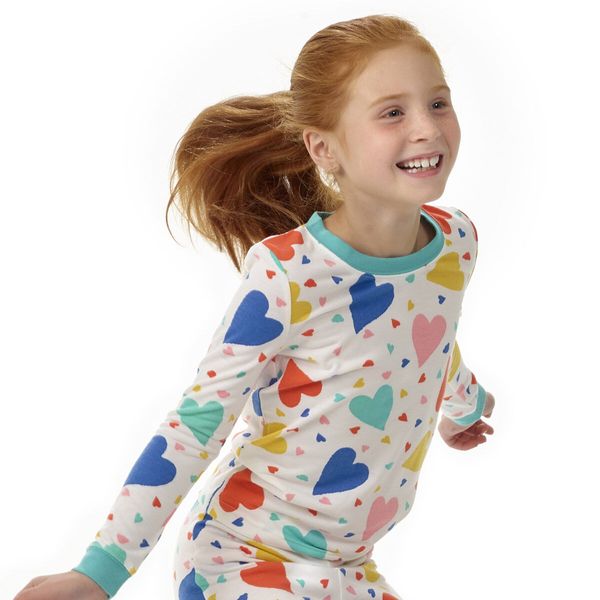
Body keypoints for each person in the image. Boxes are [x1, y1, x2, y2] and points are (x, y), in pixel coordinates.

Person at [13, 13, 495, 600]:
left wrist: (466, 404)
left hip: (349, 567)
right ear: (325, 148)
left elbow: (424, 334)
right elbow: (198, 423)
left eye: (438, 103)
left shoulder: (455, 241)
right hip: (244, 555)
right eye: (392, 112)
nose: (427, 128)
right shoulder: (289, 273)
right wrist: (99, 571)